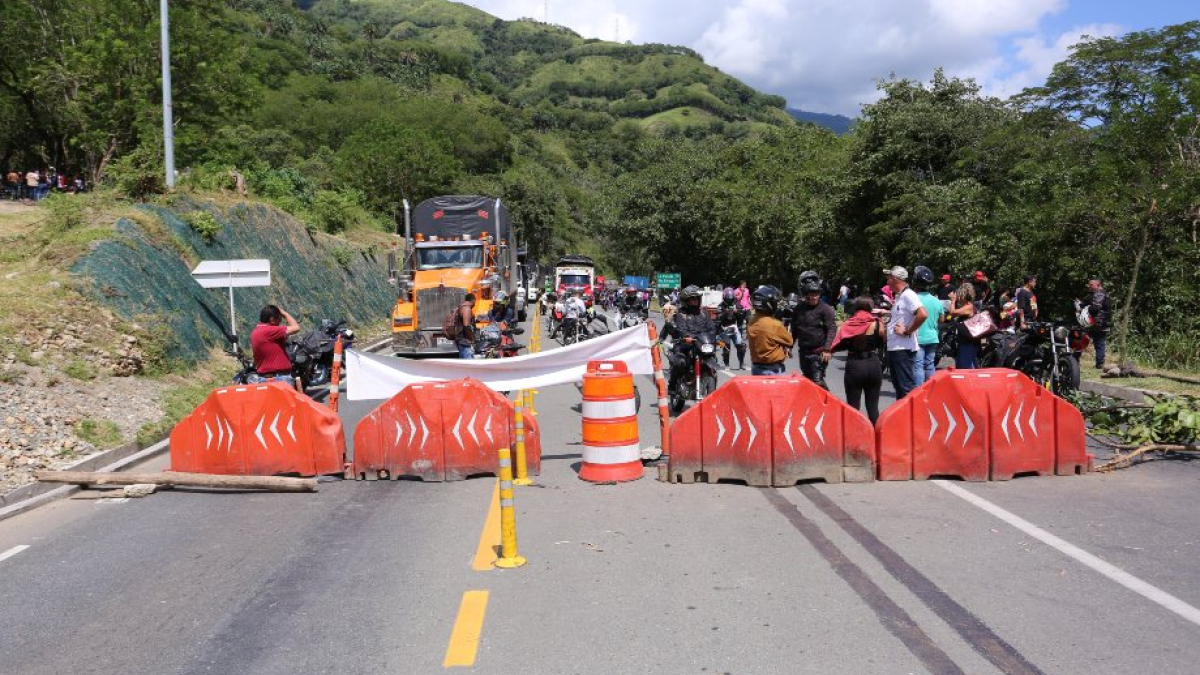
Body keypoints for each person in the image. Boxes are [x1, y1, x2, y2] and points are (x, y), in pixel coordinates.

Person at [830, 296, 886, 423]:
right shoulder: (877, 323)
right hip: (873, 364)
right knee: (873, 408)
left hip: (855, 366)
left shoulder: (849, 324)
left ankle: (856, 439)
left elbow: (839, 344)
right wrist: (881, 319)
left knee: (853, 408)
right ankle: (877, 438)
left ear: (855, 308)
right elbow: (883, 342)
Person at [882, 266, 928, 398]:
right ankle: (902, 417)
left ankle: (913, 417)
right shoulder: (900, 296)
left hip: (903, 349)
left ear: (895, 279)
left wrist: (907, 331)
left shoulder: (908, 295)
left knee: (905, 388)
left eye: (889, 278)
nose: (887, 282)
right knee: (900, 387)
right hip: (896, 348)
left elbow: (923, 314)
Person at [662, 285, 719, 382]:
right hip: (685, 345)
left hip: (701, 344)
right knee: (680, 362)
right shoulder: (681, 314)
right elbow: (681, 330)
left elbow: (711, 328)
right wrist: (687, 337)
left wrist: (714, 337)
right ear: (686, 301)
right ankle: (672, 385)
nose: (695, 301)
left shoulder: (704, 313)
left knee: (713, 359)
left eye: (697, 298)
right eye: (692, 299)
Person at [790, 276, 836, 388]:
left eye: (816, 294)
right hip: (804, 351)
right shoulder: (799, 309)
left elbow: (832, 329)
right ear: (806, 295)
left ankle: (828, 401)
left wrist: (827, 349)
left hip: (819, 352)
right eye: (811, 294)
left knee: (817, 381)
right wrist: (790, 346)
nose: (814, 297)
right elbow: (795, 329)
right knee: (807, 379)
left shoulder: (825, 309)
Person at [746, 285, 792, 376]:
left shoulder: (751, 321)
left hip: (756, 368)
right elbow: (789, 341)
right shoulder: (774, 324)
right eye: (774, 302)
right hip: (773, 369)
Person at [250, 305, 301, 384]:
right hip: (279, 378)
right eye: (279, 318)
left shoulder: (255, 332)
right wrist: (285, 314)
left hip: (263, 378)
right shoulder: (270, 331)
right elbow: (296, 328)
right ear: (272, 319)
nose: (280, 321)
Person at [912, 266, 945, 385]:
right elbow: (942, 319)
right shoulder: (936, 301)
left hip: (918, 337)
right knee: (929, 365)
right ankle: (931, 389)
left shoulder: (913, 299)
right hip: (933, 337)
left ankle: (918, 392)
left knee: (918, 365)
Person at [1077, 278, 1112, 370]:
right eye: (1089, 285)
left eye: (1091, 285)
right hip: (1100, 322)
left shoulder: (1100, 293)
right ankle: (1099, 364)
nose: (1089, 286)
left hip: (1097, 323)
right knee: (1098, 343)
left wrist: (1085, 309)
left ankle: (1075, 360)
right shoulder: (1097, 293)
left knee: (1084, 339)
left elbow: (1096, 307)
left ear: (1098, 285)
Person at [948, 283, 980, 368]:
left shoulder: (968, 307)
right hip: (968, 341)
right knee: (966, 365)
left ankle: (972, 381)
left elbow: (952, 313)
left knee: (967, 367)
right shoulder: (968, 306)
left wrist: (953, 301)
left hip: (968, 342)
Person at [717, 290, 747, 370]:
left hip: (734, 327)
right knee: (726, 346)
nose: (729, 301)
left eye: (730, 299)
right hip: (723, 328)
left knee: (741, 346)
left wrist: (737, 312)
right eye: (727, 299)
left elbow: (742, 317)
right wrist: (725, 313)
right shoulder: (721, 306)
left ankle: (741, 363)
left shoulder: (736, 305)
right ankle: (726, 364)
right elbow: (718, 318)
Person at [453, 293, 479, 359]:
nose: (474, 304)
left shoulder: (461, 307)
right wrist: (473, 340)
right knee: (469, 367)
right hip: (466, 345)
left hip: (462, 343)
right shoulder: (467, 309)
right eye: (475, 302)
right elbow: (466, 327)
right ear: (473, 300)